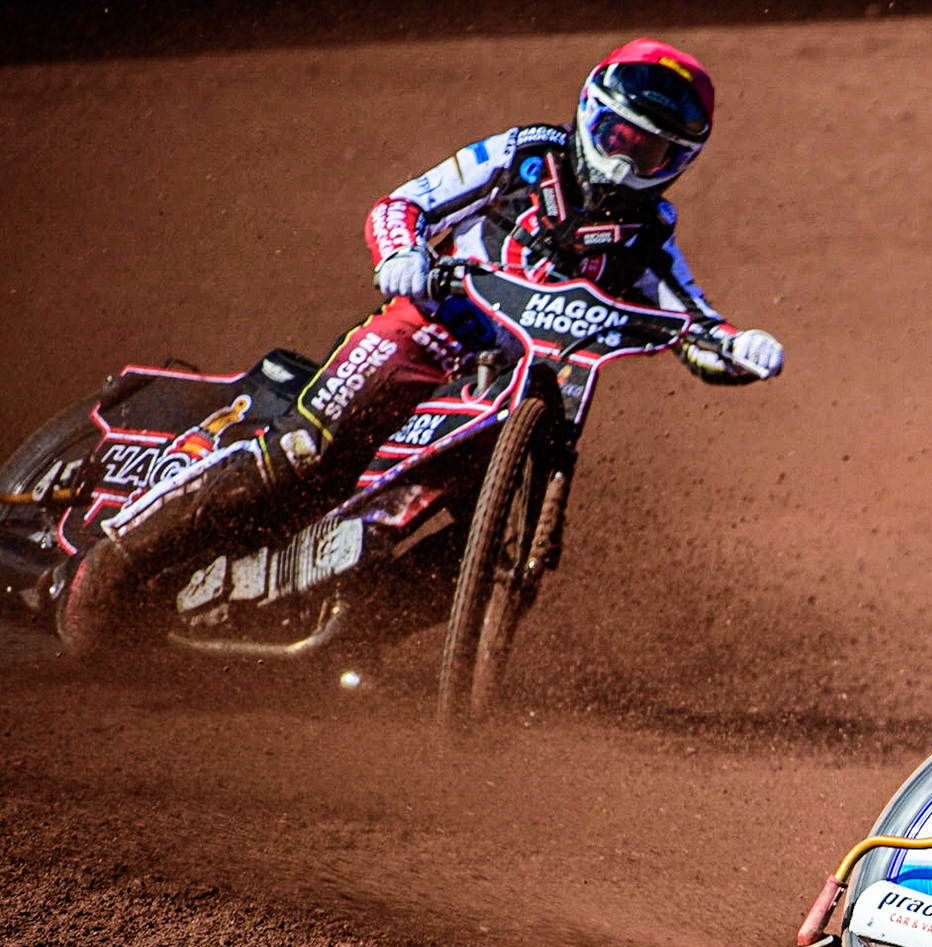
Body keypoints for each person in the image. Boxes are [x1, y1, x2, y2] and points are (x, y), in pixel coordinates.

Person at [57, 38, 782, 652]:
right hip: (429, 326)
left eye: (649, 147)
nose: (628, 157)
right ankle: (115, 564)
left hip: (521, 380)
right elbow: (404, 203)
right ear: (594, 115)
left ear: (676, 158)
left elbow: (691, 317)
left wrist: (736, 345)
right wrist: (401, 252)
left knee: (479, 549)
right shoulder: (528, 154)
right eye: (621, 135)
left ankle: (344, 643)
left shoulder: (648, 235)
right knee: (308, 450)